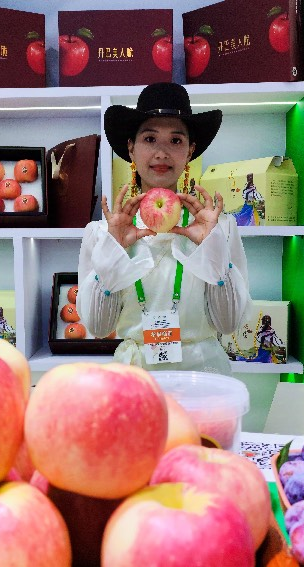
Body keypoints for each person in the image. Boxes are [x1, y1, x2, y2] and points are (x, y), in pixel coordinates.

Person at [76, 82, 252, 375]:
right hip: (136, 378)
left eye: (175, 141)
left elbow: (228, 323)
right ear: (131, 148)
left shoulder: (220, 227)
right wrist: (114, 250)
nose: (161, 153)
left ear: (190, 151)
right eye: (149, 138)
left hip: (203, 377)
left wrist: (211, 249)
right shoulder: (102, 233)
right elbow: (98, 326)